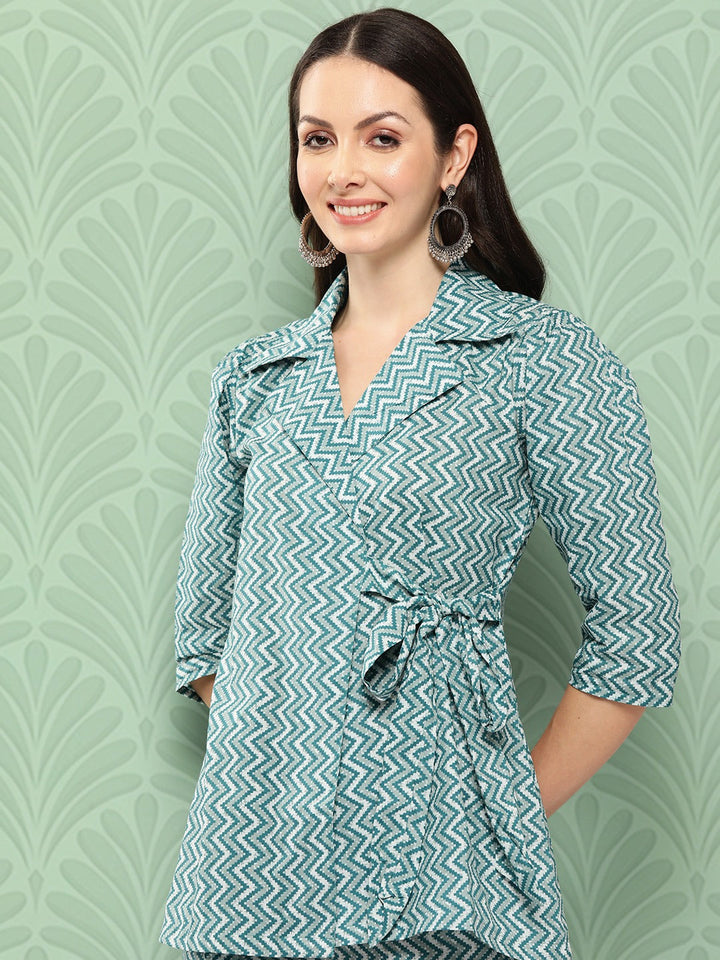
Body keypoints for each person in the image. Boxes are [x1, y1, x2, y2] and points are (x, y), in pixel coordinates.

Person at [158, 9, 681, 960]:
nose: (342, 171)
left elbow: (637, 635)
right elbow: (205, 639)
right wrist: (293, 783)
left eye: (383, 138)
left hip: (447, 876)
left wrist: (493, 814)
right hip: (250, 877)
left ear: (454, 155)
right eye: (318, 139)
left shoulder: (541, 358)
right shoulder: (256, 378)